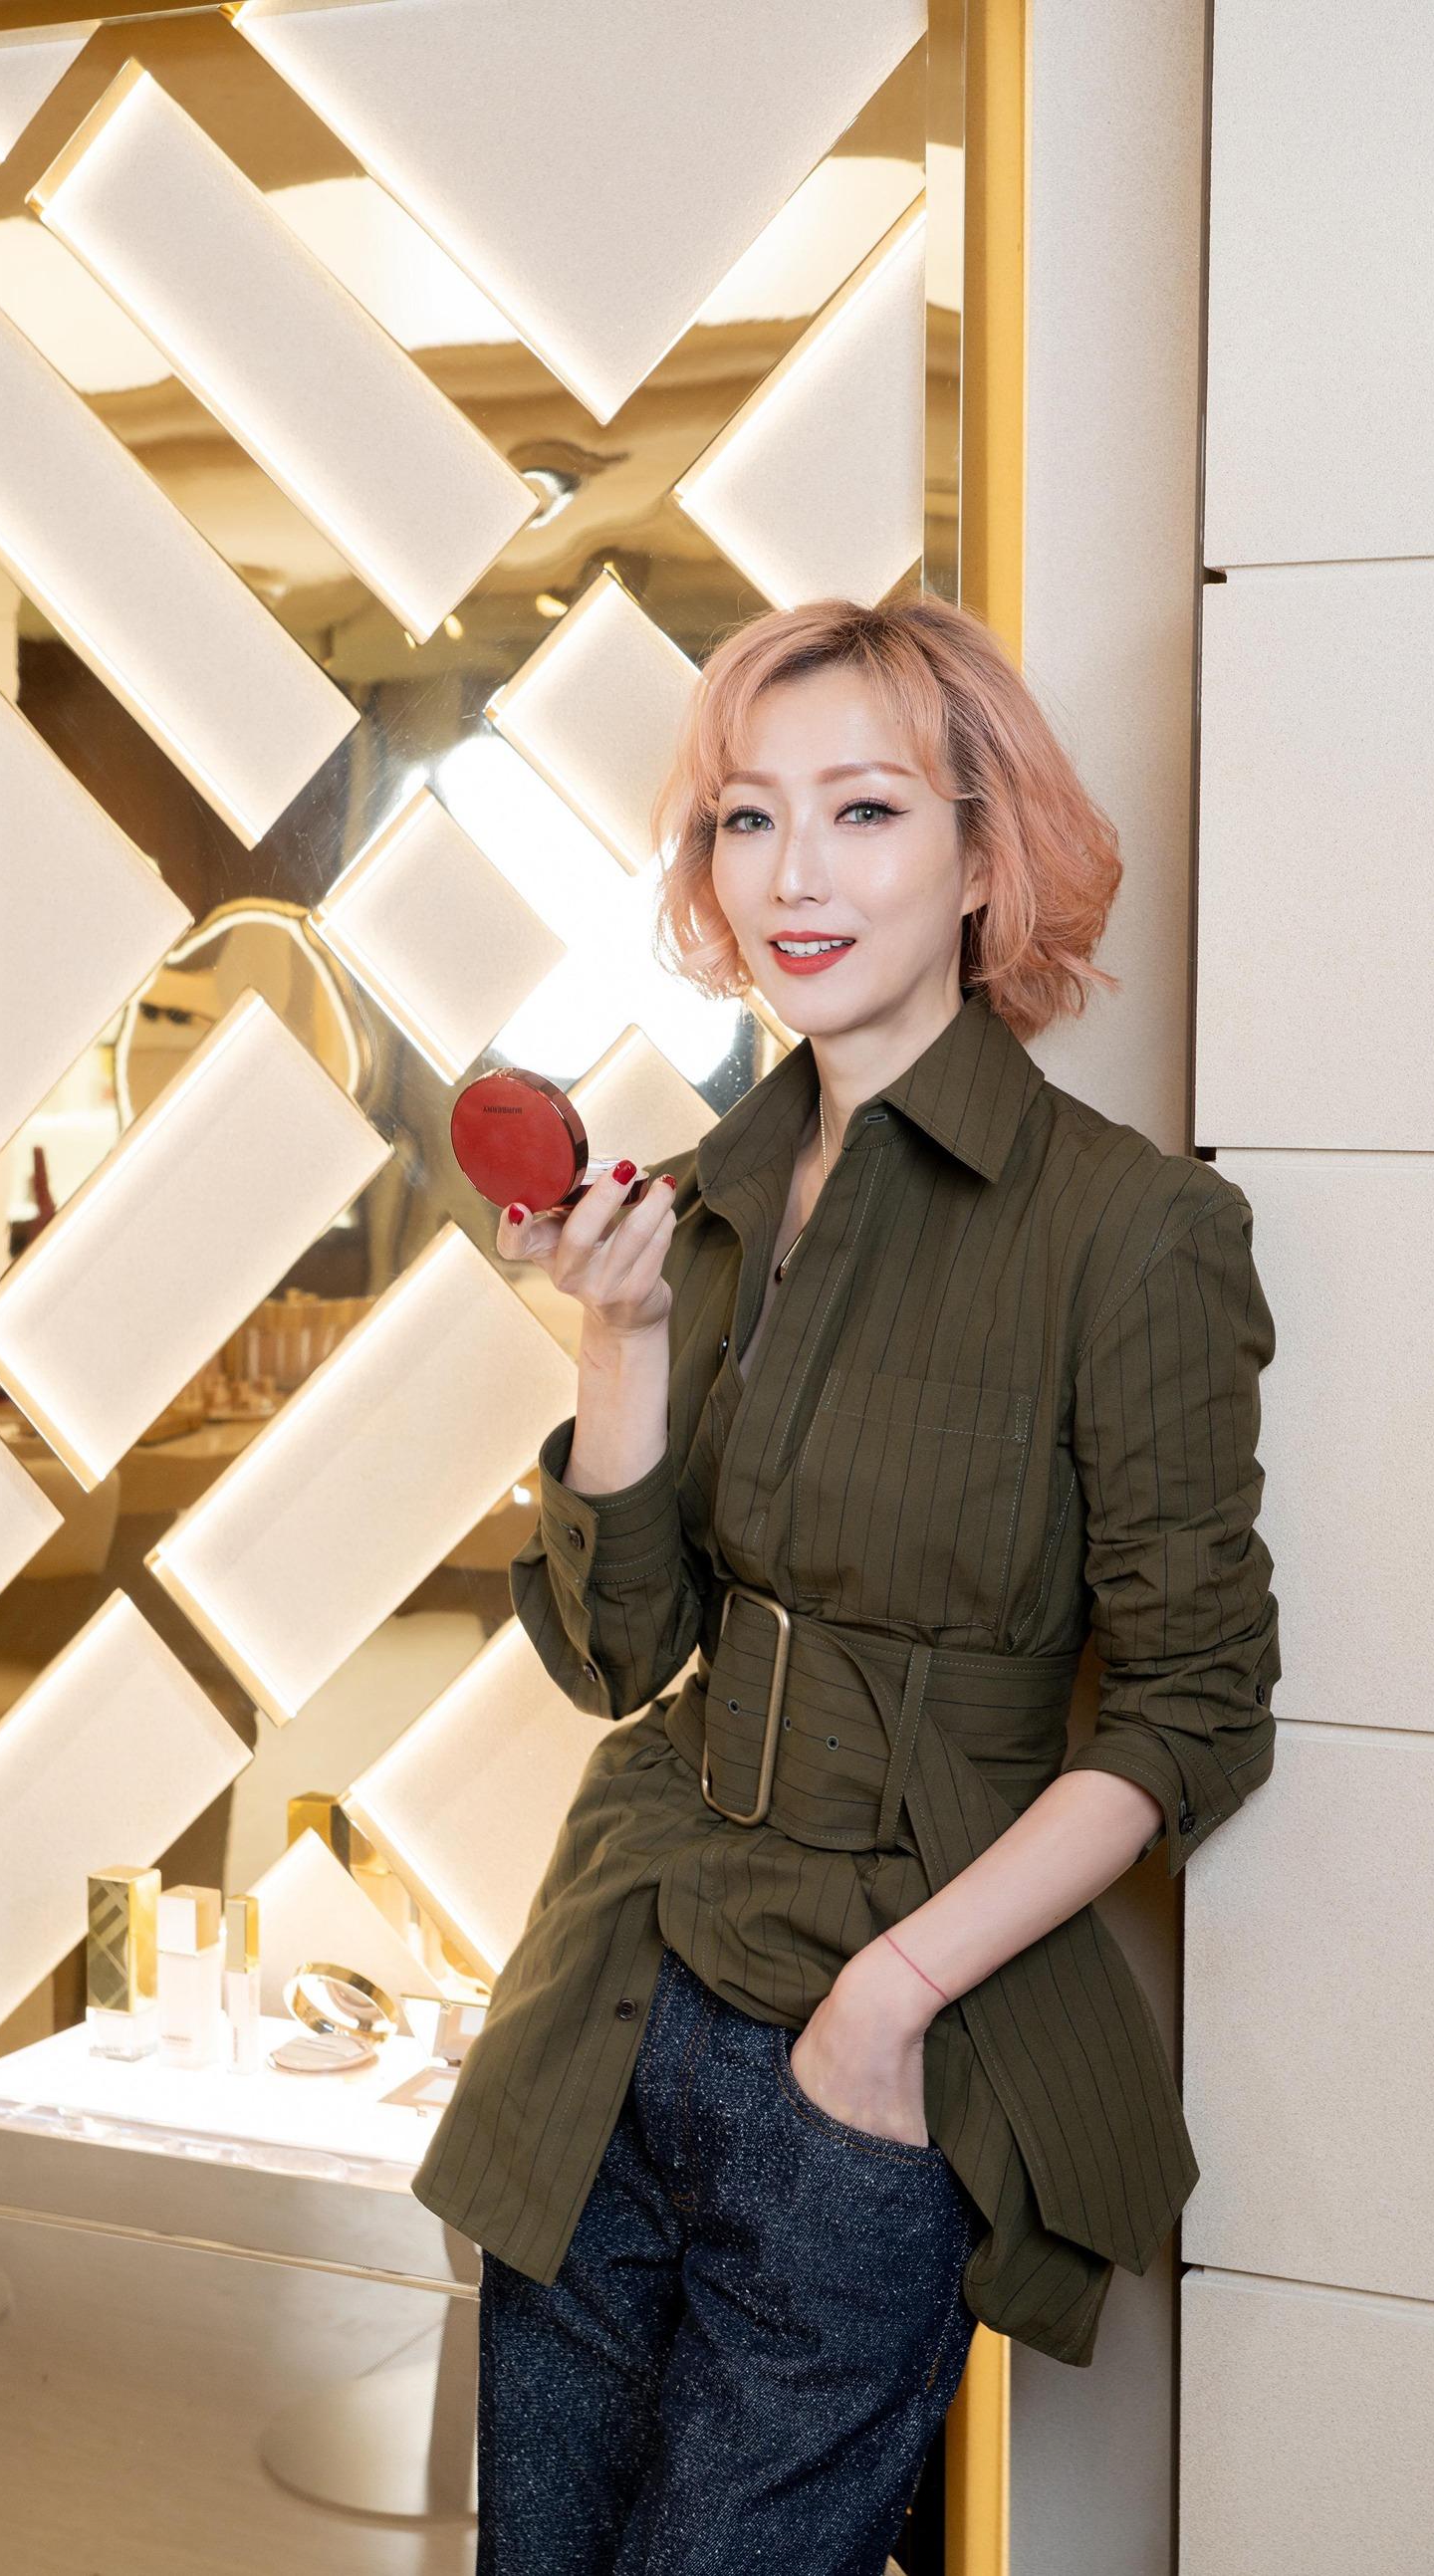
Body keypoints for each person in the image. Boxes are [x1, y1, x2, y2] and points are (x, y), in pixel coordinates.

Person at [410, 595, 1281, 2573]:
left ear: (983, 857)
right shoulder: (697, 1204)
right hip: (606, 2001)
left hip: (871, 2038)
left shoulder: (1127, 1229)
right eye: (747, 817)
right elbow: (618, 1654)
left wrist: (885, 2005)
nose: (792, 873)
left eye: (863, 810)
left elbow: (1192, 1712)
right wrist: (618, 1344)